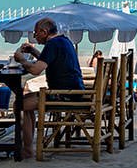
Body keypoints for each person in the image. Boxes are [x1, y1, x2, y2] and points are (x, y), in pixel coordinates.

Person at [12, 17, 84, 159]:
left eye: (35, 33)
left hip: (64, 94)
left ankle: (27, 149)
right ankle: (27, 147)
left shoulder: (52, 44)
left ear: (44, 32)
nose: (34, 36)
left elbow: (36, 70)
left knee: (19, 104)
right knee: (25, 102)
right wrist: (33, 52)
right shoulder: (63, 41)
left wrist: (21, 59)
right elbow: (49, 61)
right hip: (74, 91)